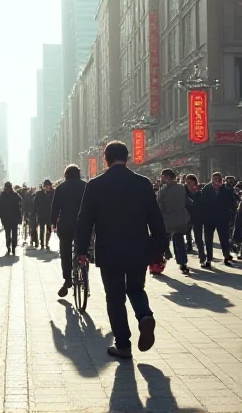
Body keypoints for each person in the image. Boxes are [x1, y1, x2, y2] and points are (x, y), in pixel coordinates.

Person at [75, 141, 169, 359]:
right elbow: (155, 217)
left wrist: (82, 250)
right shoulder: (143, 183)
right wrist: (162, 246)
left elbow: (84, 220)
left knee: (115, 297)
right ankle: (144, 315)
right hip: (138, 247)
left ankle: (123, 345)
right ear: (127, 158)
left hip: (109, 249)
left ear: (105, 159)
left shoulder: (95, 185)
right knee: (136, 288)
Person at [51, 165, 88, 296]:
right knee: (83, 248)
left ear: (65, 174)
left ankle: (67, 279)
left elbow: (55, 207)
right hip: (83, 224)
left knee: (65, 251)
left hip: (65, 224)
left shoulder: (61, 188)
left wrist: (53, 223)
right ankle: (84, 272)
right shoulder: (85, 186)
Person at [198, 172, 238, 268]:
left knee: (224, 239)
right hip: (209, 218)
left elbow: (232, 203)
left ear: (221, 179)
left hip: (222, 218)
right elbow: (202, 203)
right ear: (211, 179)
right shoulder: (206, 189)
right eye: (214, 178)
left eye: (218, 178)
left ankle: (226, 257)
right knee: (208, 239)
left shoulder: (226, 190)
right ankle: (209, 259)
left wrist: (231, 216)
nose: (216, 180)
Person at [157, 169, 191, 275]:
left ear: (167, 177)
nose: (161, 178)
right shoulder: (181, 188)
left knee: (164, 241)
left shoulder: (164, 189)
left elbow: (160, 204)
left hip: (167, 219)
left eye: (162, 176)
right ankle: (183, 263)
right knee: (179, 241)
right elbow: (187, 202)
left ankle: (161, 261)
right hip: (180, 219)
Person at [0, 182, 22, 255]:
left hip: (6, 218)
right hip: (14, 217)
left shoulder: (2, 196)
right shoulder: (16, 195)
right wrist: (20, 217)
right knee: (14, 232)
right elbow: (20, 206)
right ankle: (13, 246)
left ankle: (8, 245)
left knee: (7, 232)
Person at [33, 180, 55, 250]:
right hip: (41, 214)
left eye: (48, 185)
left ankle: (47, 243)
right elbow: (35, 203)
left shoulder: (53, 193)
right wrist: (36, 210)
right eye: (46, 186)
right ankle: (42, 243)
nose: (47, 187)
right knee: (42, 229)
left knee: (49, 230)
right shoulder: (39, 193)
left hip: (49, 214)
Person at [183, 174, 202, 257]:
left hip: (197, 215)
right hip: (186, 214)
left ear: (194, 181)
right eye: (186, 181)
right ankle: (189, 246)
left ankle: (201, 253)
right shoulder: (183, 189)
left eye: (189, 181)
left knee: (198, 235)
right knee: (186, 232)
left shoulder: (199, 190)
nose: (187, 183)